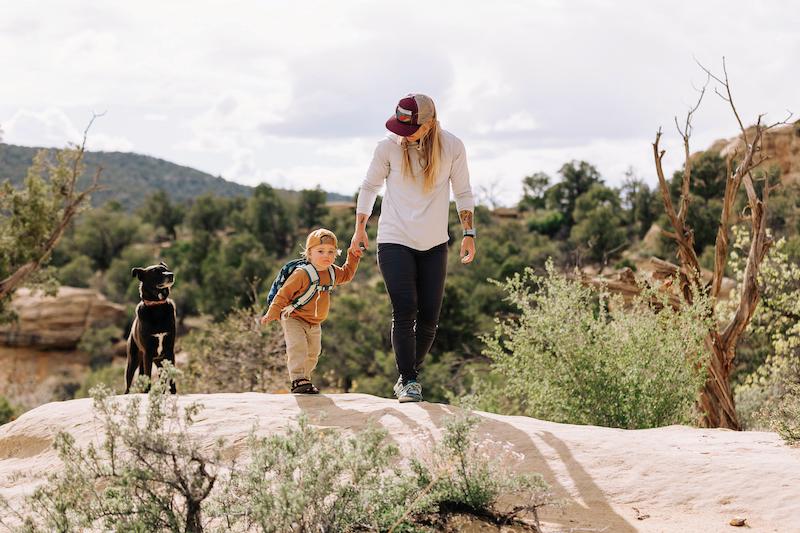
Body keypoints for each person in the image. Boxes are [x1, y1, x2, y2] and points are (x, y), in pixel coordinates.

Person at [349, 93, 476, 403]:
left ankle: (410, 374)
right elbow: (369, 187)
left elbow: (463, 191)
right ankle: (408, 380)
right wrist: (359, 229)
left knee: (430, 318)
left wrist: (469, 232)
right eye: (399, 127)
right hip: (395, 239)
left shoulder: (452, 147)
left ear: (429, 123)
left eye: (411, 129)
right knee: (405, 310)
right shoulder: (388, 147)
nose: (402, 135)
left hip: (434, 243)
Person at [262, 228, 362, 393]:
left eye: (331, 252)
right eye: (320, 251)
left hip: (315, 322)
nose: (326, 255)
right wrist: (272, 312)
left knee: (313, 353)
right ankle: (297, 379)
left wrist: (353, 256)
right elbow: (284, 293)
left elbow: (347, 275)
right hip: (293, 316)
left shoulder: (332, 272)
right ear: (309, 253)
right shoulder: (302, 273)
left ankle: (304, 381)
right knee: (297, 347)